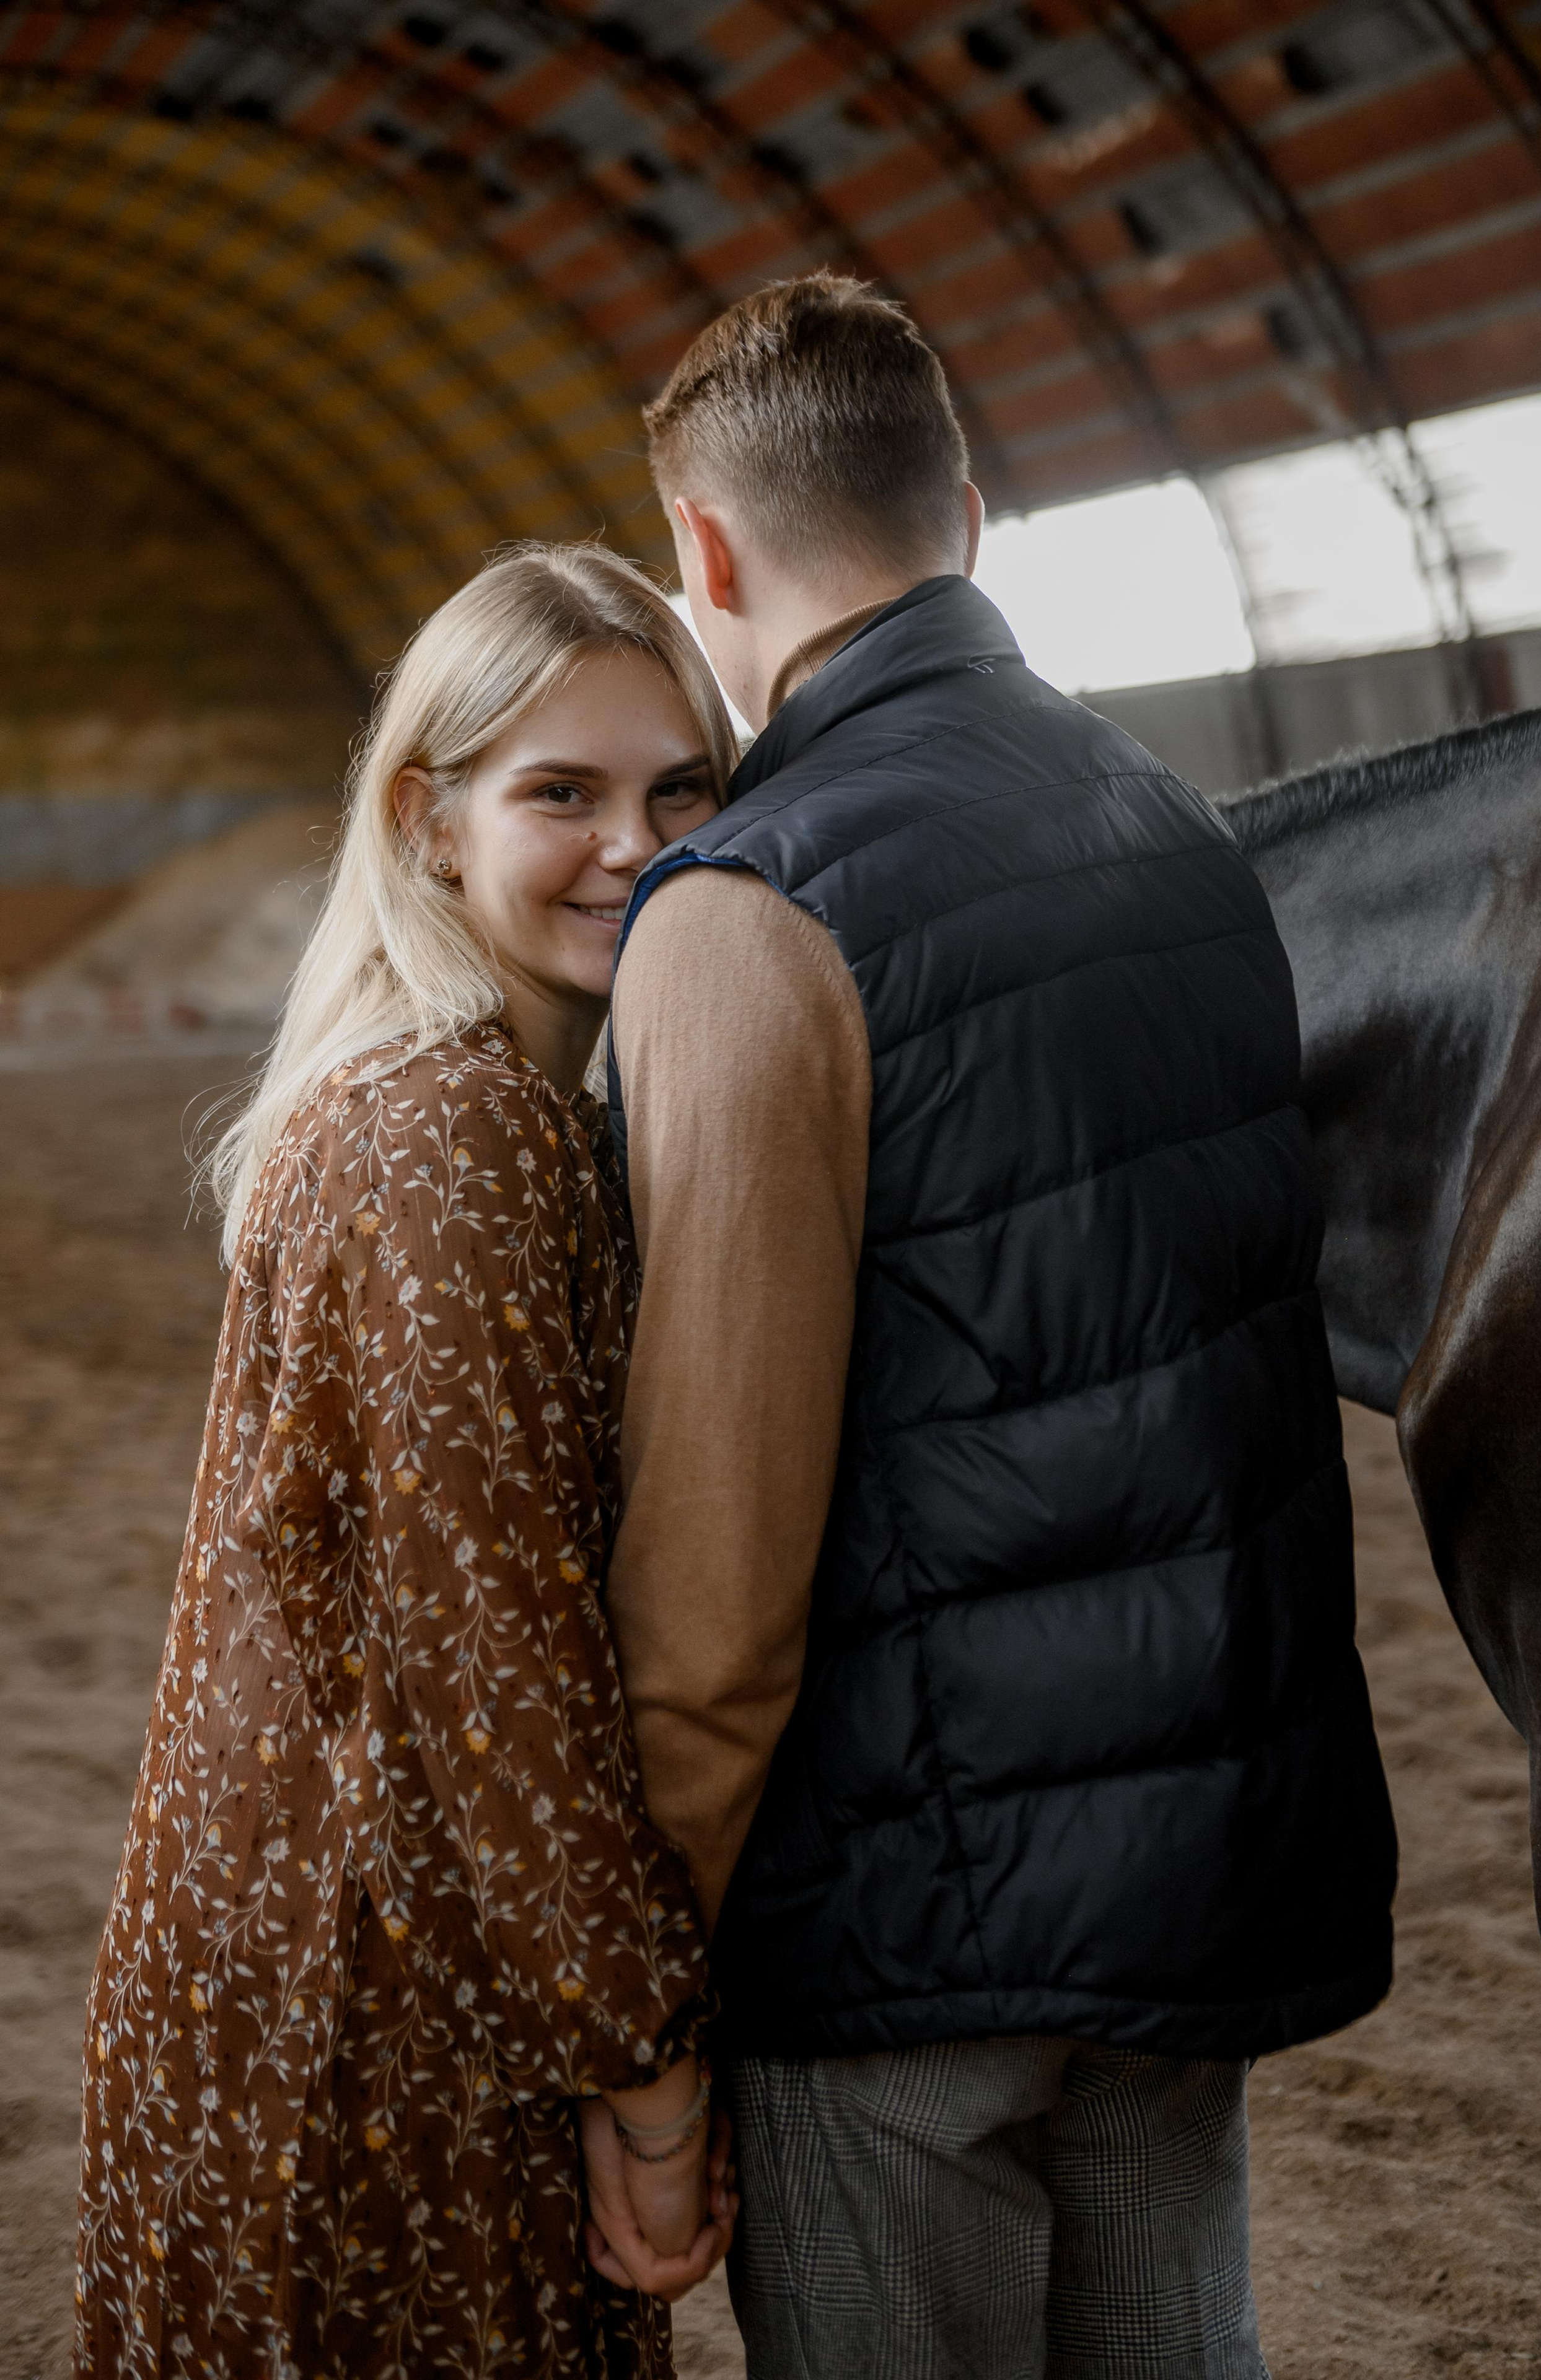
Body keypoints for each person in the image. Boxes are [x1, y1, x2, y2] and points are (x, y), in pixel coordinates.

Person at [601, 275, 1400, 2377]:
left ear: (701, 551)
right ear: (965, 511)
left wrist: (643, 1984)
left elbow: (717, 1580)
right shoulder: (1181, 832)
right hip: (1195, 1880)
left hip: (896, 1933)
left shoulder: (754, 909)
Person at [76, 544, 740, 2379]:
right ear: (427, 823)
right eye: (563, 794)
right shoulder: (453, 1139)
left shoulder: (457, 1097)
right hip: (375, 2031)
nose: (635, 841)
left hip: (314, 1957)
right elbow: (497, 1662)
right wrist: (651, 2068)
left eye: (680, 788)